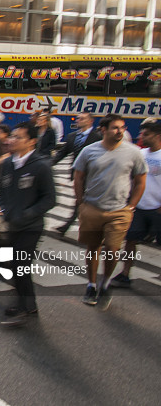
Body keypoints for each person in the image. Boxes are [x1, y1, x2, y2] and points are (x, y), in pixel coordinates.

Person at [73, 114, 147, 308]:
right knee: (92, 248)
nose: (120, 131)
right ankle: (91, 284)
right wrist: (81, 203)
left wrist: (131, 205)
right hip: (92, 208)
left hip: (119, 211)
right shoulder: (89, 151)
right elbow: (78, 177)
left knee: (113, 250)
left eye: (122, 127)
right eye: (115, 127)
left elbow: (140, 180)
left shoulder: (133, 152)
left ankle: (105, 282)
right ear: (103, 130)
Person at [0, 123, 56, 328]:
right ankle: (29, 304)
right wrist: (4, 208)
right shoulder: (8, 163)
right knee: (15, 265)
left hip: (30, 226)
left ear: (31, 141)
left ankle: (22, 307)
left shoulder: (41, 165)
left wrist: (27, 214)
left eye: (18, 137)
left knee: (20, 265)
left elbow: (49, 199)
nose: (11, 140)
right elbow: (2, 190)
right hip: (11, 224)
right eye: (12, 136)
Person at [112, 119, 161, 286]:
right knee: (130, 241)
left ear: (158, 136)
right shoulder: (141, 154)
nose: (141, 136)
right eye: (142, 133)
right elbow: (132, 178)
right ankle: (125, 274)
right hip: (139, 207)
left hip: (158, 209)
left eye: (146, 134)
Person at [51, 112, 101, 234]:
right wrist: (49, 164)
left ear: (90, 121)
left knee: (85, 201)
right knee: (80, 200)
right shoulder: (72, 136)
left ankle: (86, 227)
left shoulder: (98, 137)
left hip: (93, 175)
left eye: (82, 118)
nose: (78, 120)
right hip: (78, 175)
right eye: (78, 118)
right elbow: (62, 153)